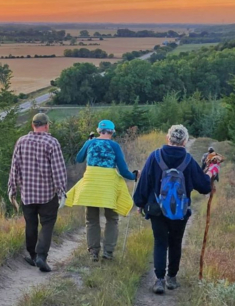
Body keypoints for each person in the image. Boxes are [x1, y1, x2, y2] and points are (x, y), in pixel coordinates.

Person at [133, 125, 216, 294]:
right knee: (175, 242)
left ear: (167, 138)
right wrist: (210, 174)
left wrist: (139, 204)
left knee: (160, 242)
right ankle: (172, 278)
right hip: (180, 211)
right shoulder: (189, 160)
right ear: (185, 141)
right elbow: (204, 187)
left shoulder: (154, 157)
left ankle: (159, 280)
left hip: (156, 209)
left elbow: (144, 184)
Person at [65, 120, 138, 262]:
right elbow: (123, 171)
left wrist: (88, 142)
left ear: (99, 131)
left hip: (91, 185)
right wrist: (134, 175)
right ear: (112, 132)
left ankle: (93, 252)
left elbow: (79, 159)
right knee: (112, 219)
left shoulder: (90, 143)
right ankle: (108, 252)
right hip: (108, 186)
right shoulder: (114, 146)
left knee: (92, 220)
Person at [8, 112, 67, 273]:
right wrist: (61, 192)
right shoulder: (52, 142)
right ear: (47, 125)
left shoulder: (21, 141)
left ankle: (33, 255)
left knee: (31, 224)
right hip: (47, 194)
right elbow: (58, 170)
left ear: (32, 125)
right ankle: (41, 256)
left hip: (27, 193)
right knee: (47, 224)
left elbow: (15, 168)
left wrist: (12, 190)